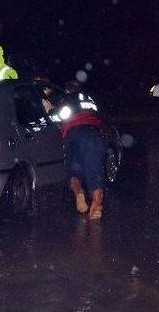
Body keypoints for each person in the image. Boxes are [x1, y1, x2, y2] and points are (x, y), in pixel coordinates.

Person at [42, 81, 106, 220]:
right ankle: (96, 204)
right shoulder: (90, 100)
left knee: (74, 173)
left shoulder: (67, 99)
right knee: (95, 174)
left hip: (75, 136)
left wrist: (50, 111)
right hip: (95, 136)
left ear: (67, 91)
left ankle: (79, 194)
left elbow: (61, 116)